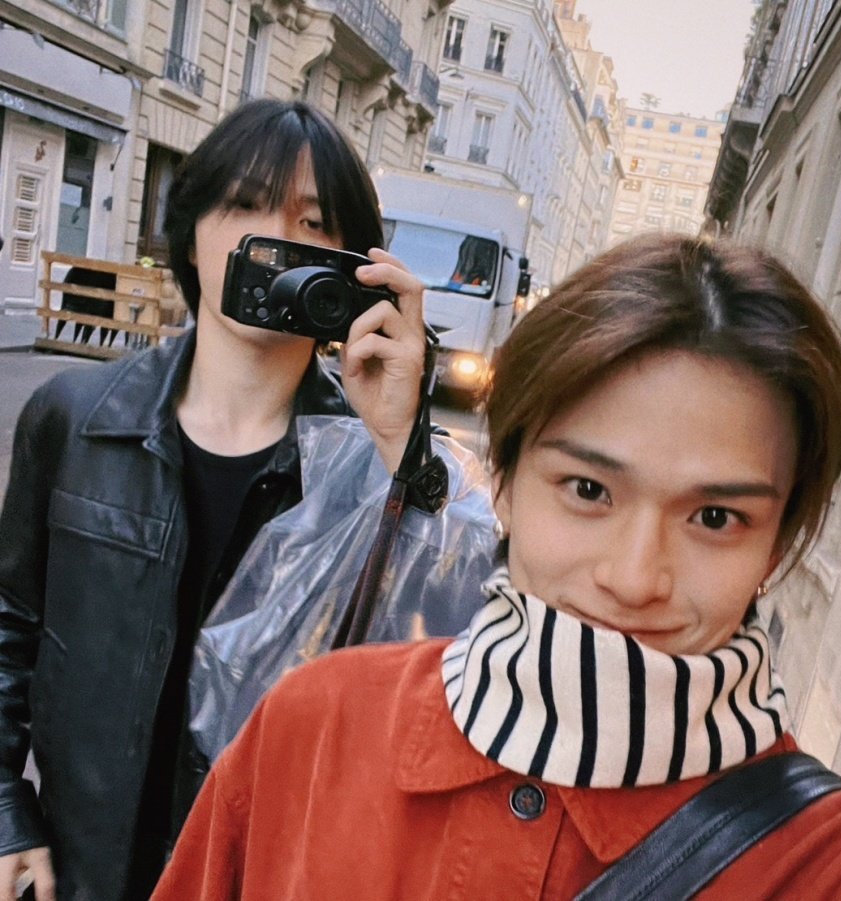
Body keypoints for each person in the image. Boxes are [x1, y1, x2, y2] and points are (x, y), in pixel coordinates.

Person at [152, 233, 841, 899]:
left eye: (714, 518)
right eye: (588, 490)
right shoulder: (315, 727)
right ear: (504, 483)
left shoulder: (840, 862)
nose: (634, 578)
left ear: (777, 545)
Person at [0, 99, 488, 901]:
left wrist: (402, 445)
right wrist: (7, 812)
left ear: (354, 264)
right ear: (192, 231)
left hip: (265, 876)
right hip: (80, 873)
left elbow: (455, 654)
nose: (274, 238)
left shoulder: (373, 459)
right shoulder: (74, 417)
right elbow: (10, 625)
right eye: (244, 204)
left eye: (312, 220)